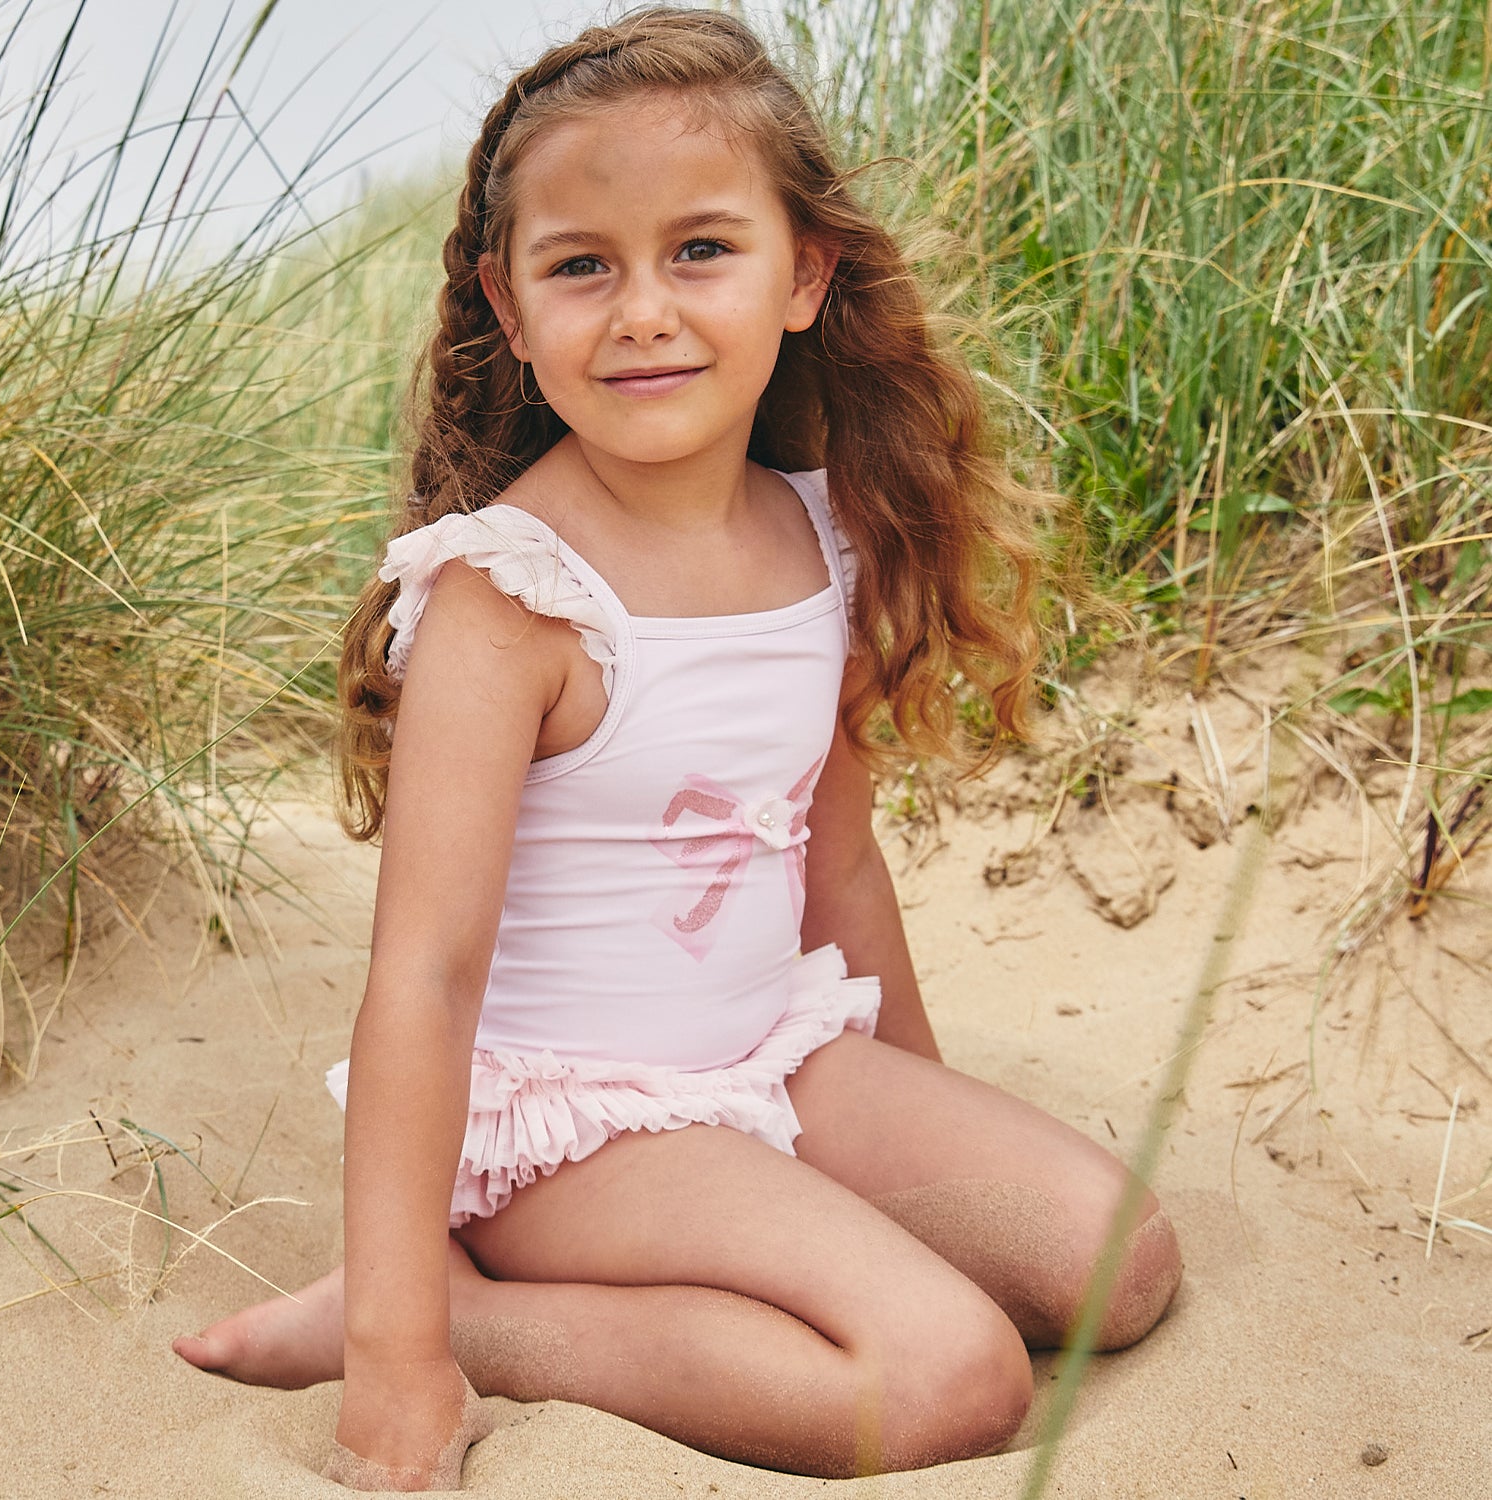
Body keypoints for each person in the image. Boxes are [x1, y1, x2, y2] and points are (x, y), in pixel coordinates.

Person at [173, 7, 1181, 1490]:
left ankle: (729, 1265)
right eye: (582, 266)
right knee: (948, 1377)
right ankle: (469, 1315)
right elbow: (424, 980)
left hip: (771, 1057)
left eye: (701, 249)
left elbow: (836, 863)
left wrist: (920, 1139)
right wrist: (401, 1350)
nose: (643, 309)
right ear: (511, 311)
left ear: (805, 273)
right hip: (573, 1129)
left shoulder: (815, 532)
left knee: (1118, 1265)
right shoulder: (512, 598)